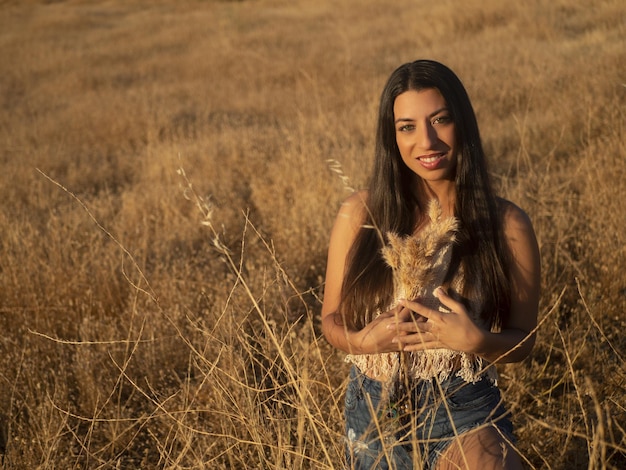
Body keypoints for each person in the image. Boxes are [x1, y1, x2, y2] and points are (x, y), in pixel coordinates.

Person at [321, 59, 540, 469]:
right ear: (392, 136)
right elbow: (330, 320)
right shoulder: (359, 213)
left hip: (463, 409)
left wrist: (478, 342)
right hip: (373, 413)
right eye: (407, 127)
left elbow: (524, 340)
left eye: (440, 120)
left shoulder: (507, 224)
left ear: (463, 123)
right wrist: (365, 342)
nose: (427, 141)